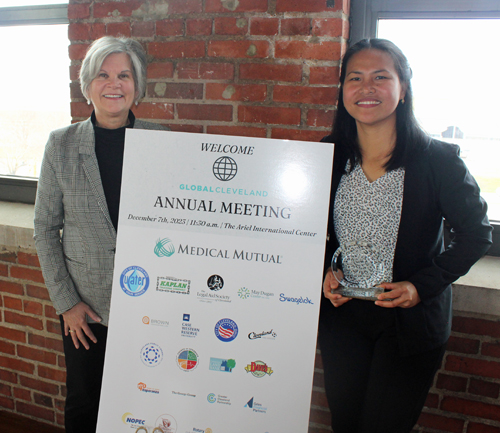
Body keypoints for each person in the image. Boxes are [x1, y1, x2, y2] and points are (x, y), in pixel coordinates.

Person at [318, 38, 492, 433]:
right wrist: (321, 276)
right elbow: (308, 233)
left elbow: (476, 234)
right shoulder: (327, 155)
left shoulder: (438, 160)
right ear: (342, 88)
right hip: (343, 319)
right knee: (345, 423)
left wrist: (419, 286)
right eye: (355, 78)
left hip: (407, 324)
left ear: (403, 88)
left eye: (381, 77)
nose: (367, 88)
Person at [34, 36, 168, 433]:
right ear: (88, 85)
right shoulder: (61, 145)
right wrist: (67, 304)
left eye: (124, 75)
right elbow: (44, 229)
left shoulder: (162, 141)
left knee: (141, 401)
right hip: (86, 311)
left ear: (137, 86)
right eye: (103, 75)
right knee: (84, 404)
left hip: (150, 307)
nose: (114, 83)